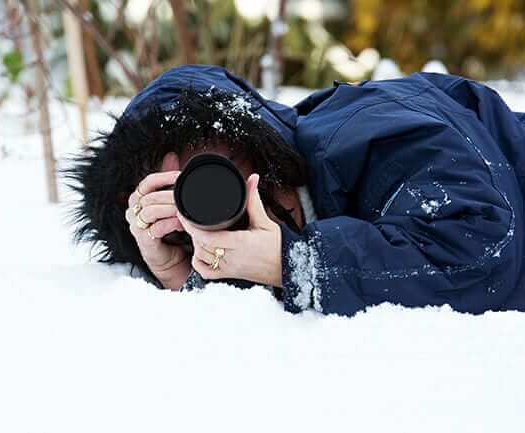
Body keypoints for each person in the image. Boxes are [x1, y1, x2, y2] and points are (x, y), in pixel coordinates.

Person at [65, 64, 525, 316]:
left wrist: (292, 263)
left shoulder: (368, 127)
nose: (201, 193)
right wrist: (179, 273)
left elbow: (481, 253)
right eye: (176, 193)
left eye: (202, 163)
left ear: (247, 133)